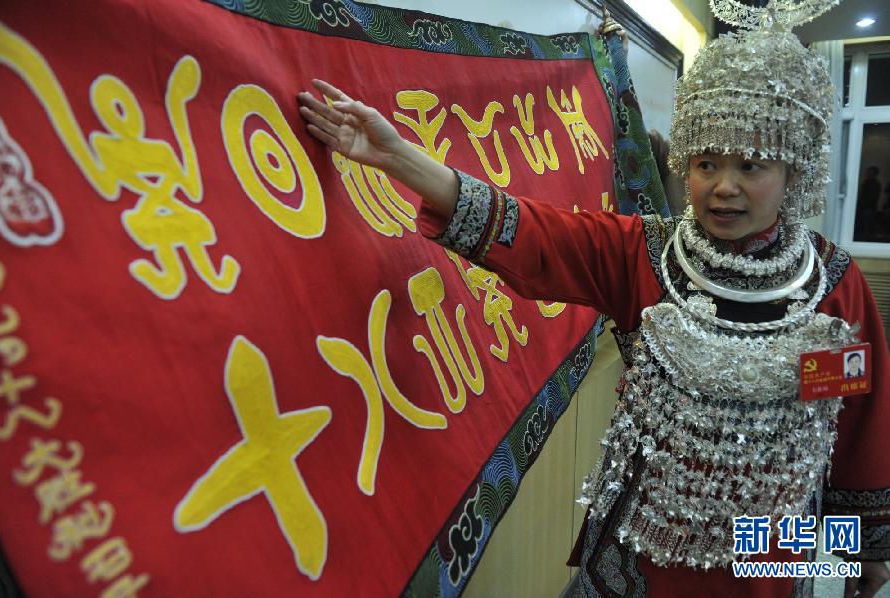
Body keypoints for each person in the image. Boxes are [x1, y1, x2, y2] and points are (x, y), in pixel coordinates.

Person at [297, 2, 889, 596]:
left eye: (751, 166)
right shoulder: (646, 255)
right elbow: (532, 233)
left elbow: (859, 424)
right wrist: (397, 157)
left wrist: (863, 550)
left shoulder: (835, 287)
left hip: (770, 559)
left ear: (792, 172)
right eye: (707, 163)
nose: (724, 187)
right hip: (640, 558)